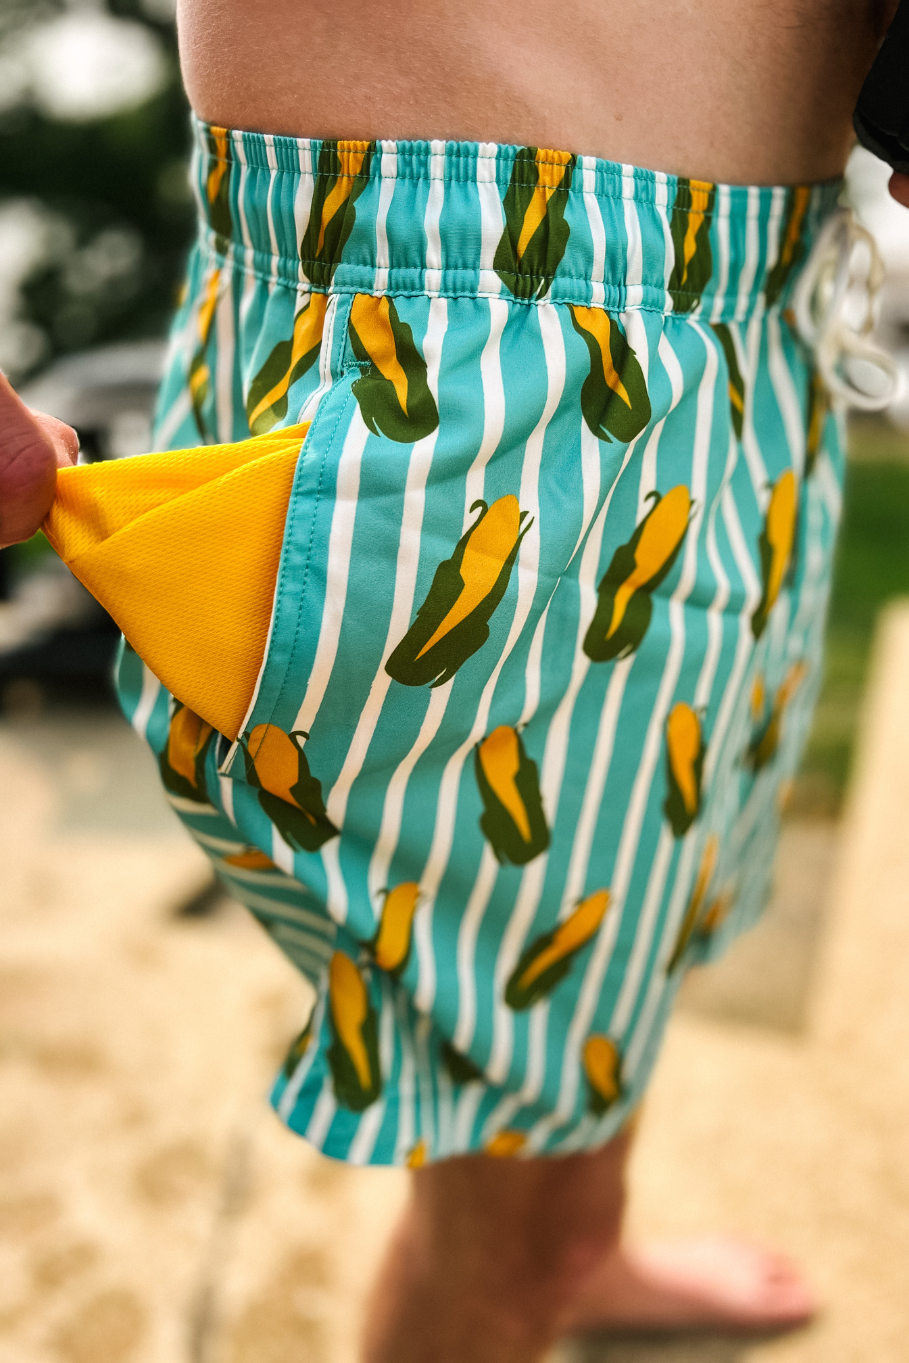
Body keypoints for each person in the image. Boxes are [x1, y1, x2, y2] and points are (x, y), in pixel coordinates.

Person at [1, 3, 907, 1359]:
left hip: (743, 324)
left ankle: (571, 1229)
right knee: (510, 1196)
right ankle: (545, 1247)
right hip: (485, 364)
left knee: (602, 970)